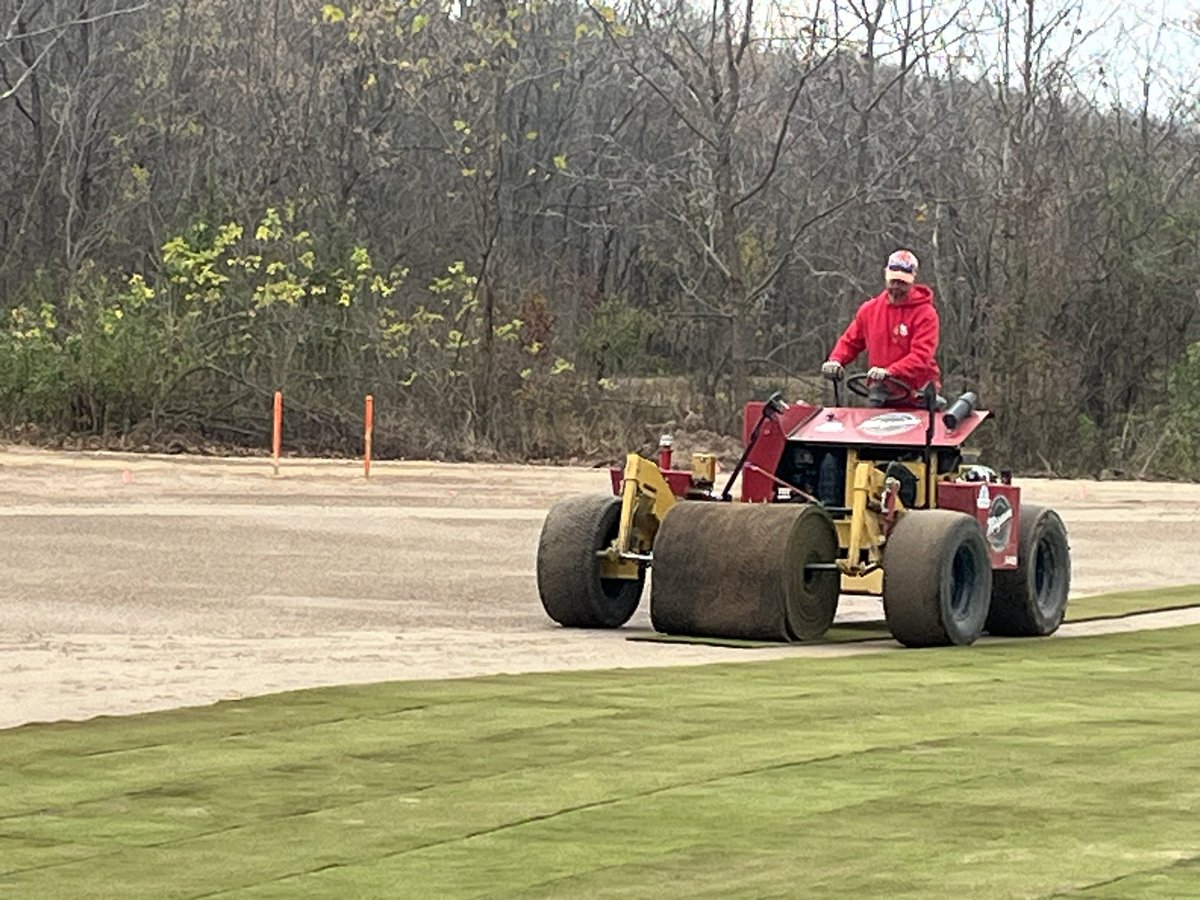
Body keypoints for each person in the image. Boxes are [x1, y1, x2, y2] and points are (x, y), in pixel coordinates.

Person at [821, 249, 941, 405]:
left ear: (912, 280)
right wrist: (836, 360)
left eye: (902, 282)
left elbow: (921, 356)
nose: (897, 285)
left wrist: (890, 372)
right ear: (886, 276)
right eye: (894, 280)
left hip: (917, 394)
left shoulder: (926, 314)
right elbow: (850, 341)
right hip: (881, 392)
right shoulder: (869, 310)